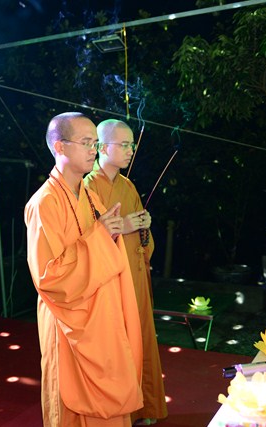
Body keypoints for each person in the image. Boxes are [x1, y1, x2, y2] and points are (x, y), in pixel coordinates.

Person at [24, 112, 143, 426]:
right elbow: (49, 278)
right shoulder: (44, 203)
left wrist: (111, 234)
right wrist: (102, 237)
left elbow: (106, 247)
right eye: (87, 143)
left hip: (101, 315)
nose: (94, 150)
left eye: (95, 143)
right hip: (69, 323)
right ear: (60, 147)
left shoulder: (90, 198)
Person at [84, 119, 167, 426]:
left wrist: (143, 226)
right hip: (110, 280)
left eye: (132, 144)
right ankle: (120, 413)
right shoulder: (88, 187)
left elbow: (141, 235)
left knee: (140, 339)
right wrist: (125, 227)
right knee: (117, 344)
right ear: (103, 148)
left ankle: (142, 408)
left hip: (135, 274)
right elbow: (87, 237)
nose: (131, 150)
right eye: (124, 144)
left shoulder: (127, 185)